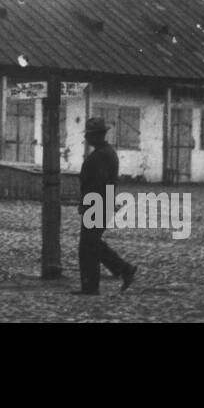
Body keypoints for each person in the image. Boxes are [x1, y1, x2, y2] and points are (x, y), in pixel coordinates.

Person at [73, 116, 137, 295]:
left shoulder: (101, 156)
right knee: (92, 244)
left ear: (97, 136)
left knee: (88, 246)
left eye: (89, 135)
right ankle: (123, 270)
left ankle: (92, 286)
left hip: (97, 205)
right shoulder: (106, 153)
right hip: (101, 204)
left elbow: (98, 184)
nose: (86, 138)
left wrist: (88, 204)